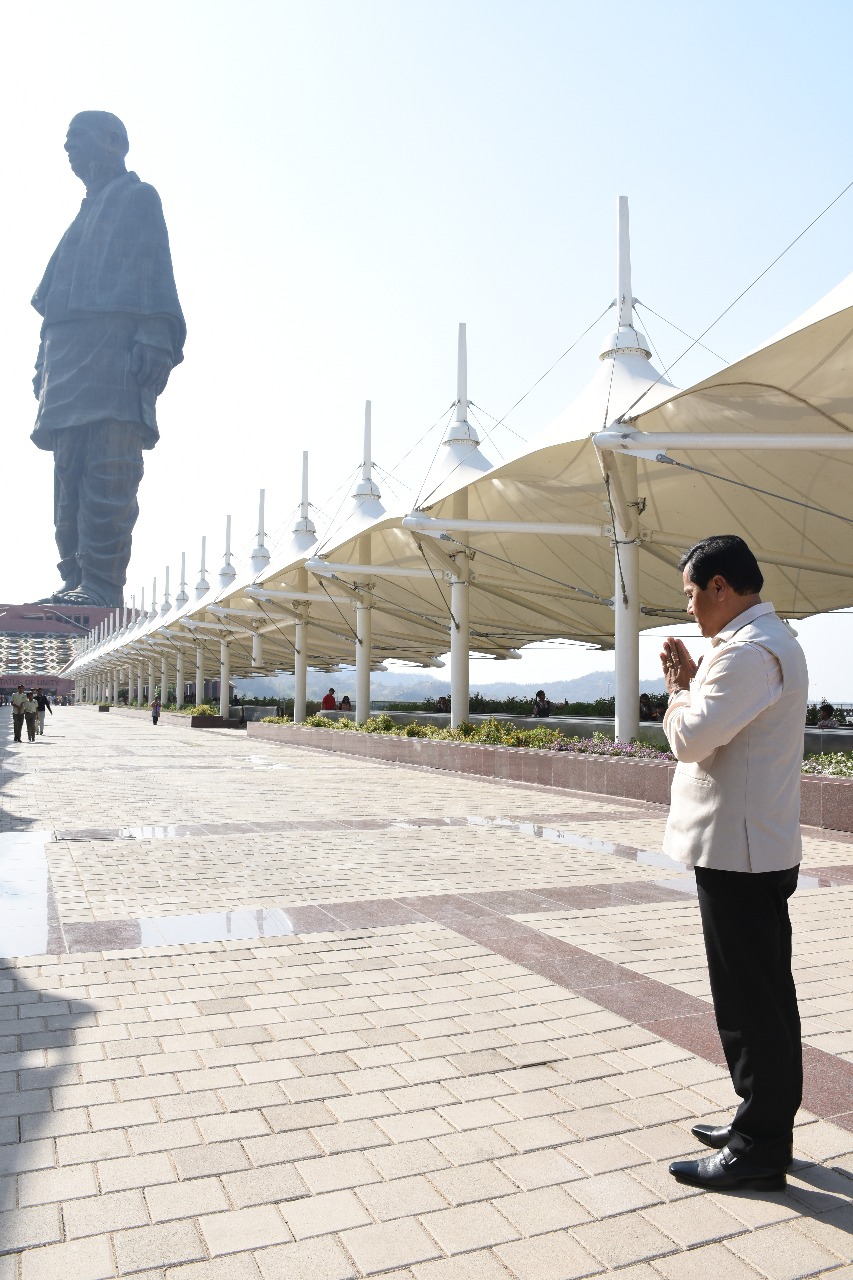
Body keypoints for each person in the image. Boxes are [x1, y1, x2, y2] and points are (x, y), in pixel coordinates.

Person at [661, 535, 808, 1193]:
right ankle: (762, 1120)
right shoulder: (758, 645)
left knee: (750, 1004)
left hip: (738, 852)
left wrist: (675, 691)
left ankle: (758, 1148)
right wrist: (698, 683)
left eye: (692, 594)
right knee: (764, 998)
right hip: (750, 846)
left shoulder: (749, 653)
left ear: (720, 587)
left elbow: (691, 740)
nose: (689, 608)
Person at [32, 112, 185, 607]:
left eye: (79, 137)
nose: (69, 148)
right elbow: (53, 303)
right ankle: (75, 578)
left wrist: (156, 336)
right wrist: (41, 364)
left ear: (114, 142)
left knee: (108, 469)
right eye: (66, 140)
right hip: (68, 363)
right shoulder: (81, 214)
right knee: (67, 480)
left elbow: (156, 271)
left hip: (113, 357)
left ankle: (100, 583)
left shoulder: (138, 198)